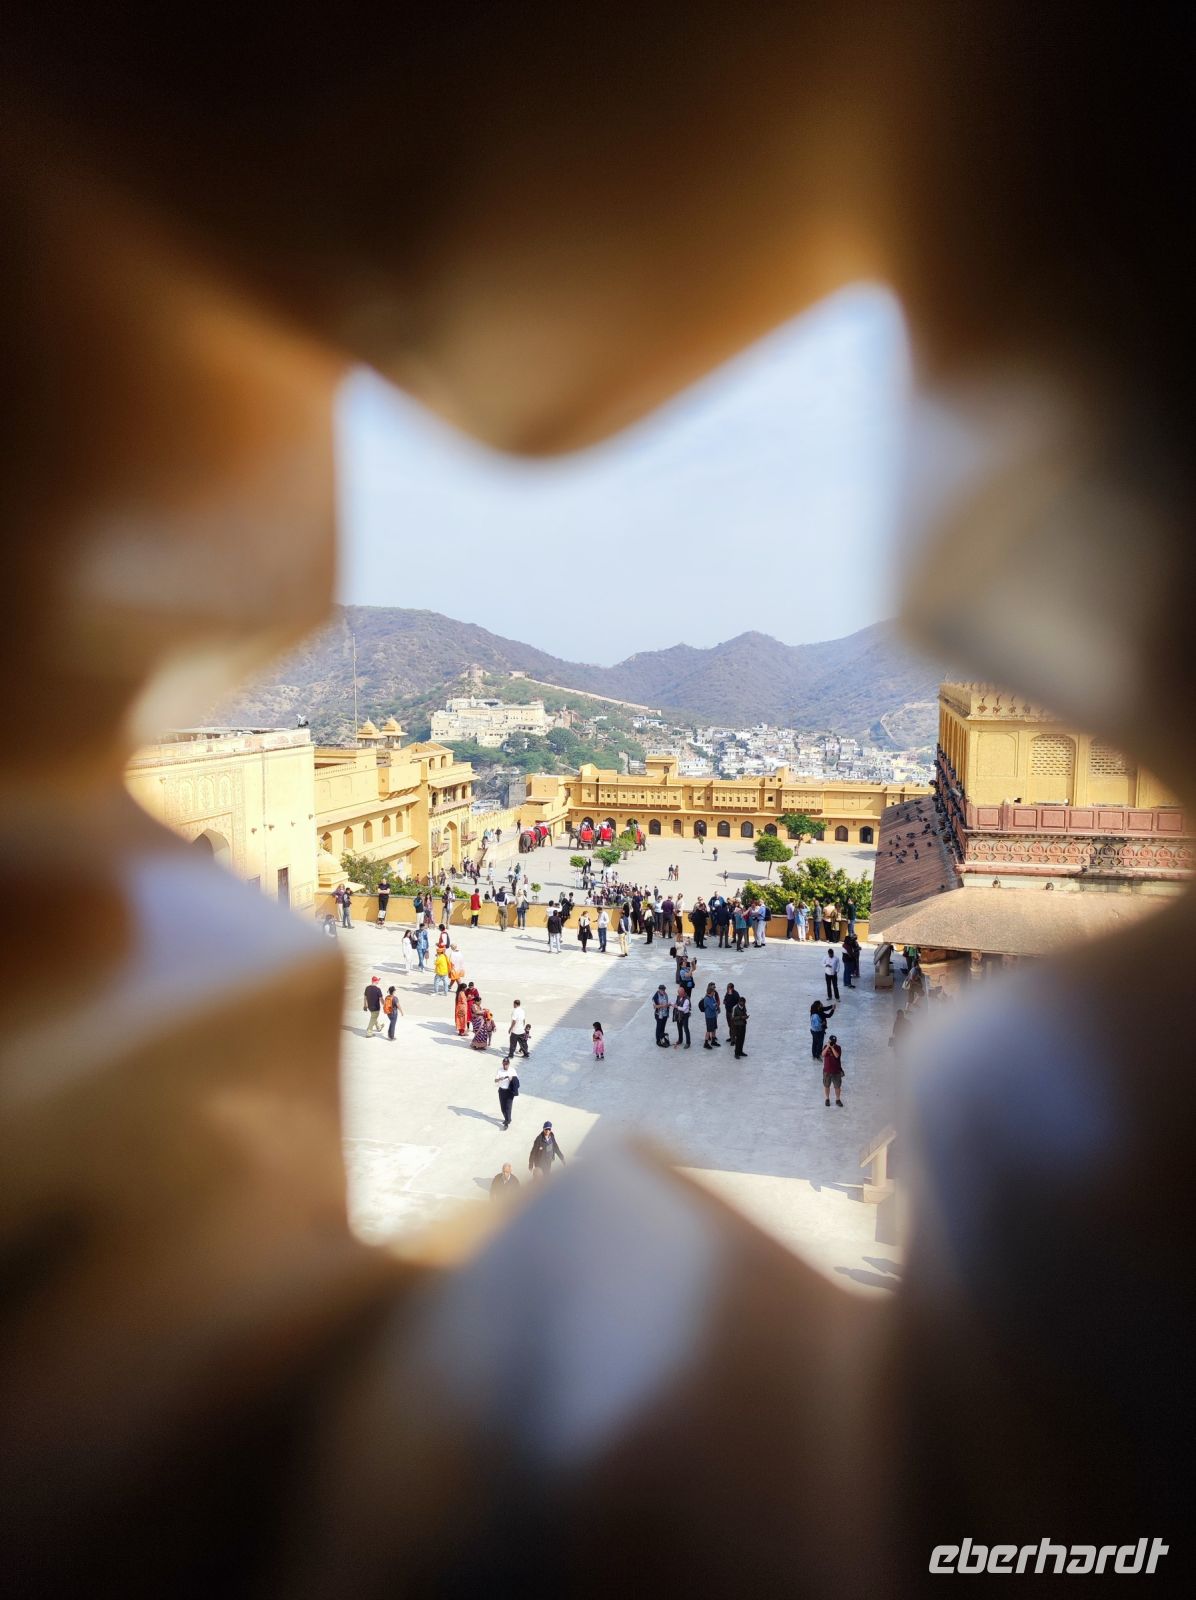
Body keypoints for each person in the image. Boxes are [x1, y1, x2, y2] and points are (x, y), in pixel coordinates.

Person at [495, 1057, 519, 1129]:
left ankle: (506, 1122)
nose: (505, 1065)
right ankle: (508, 1119)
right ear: (502, 1064)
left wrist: (512, 1079)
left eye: (507, 1064)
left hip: (509, 1091)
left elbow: (516, 1081)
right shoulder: (499, 1070)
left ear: (509, 1064)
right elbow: (495, 1080)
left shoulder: (512, 1070)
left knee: (508, 1107)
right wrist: (500, 1078)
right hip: (501, 1091)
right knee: (503, 1107)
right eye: (504, 1064)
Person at [822, 1034, 845, 1107]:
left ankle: (838, 1099)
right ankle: (827, 1099)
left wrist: (832, 1048)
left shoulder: (838, 1048)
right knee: (826, 1086)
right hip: (827, 1071)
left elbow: (837, 1055)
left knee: (837, 1086)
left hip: (836, 1071)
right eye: (831, 1041)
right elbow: (823, 1054)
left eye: (834, 1042)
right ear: (829, 1040)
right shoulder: (826, 1046)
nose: (833, 1043)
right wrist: (828, 1046)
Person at [728, 988, 749, 1058]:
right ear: (739, 1002)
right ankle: (736, 1053)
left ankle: (740, 1051)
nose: (743, 1004)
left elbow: (744, 1013)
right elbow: (732, 1018)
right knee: (738, 1040)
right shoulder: (735, 1008)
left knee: (742, 1039)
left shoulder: (744, 1007)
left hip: (743, 1025)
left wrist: (745, 1016)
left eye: (744, 1003)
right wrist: (741, 1017)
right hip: (737, 1026)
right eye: (742, 1003)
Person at [698, 983, 721, 1048]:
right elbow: (712, 1007)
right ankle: (706, 1043)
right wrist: (715, 1005)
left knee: (713, 1028)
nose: (714, 992)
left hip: (713, 1015)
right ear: (711, 992)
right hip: (709, 1016)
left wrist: (715, 1004)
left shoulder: (711, 998)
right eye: (713, 991)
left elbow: (715, 1003)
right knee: (709, 1030)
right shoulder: (707, 999)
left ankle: (713, 1041)